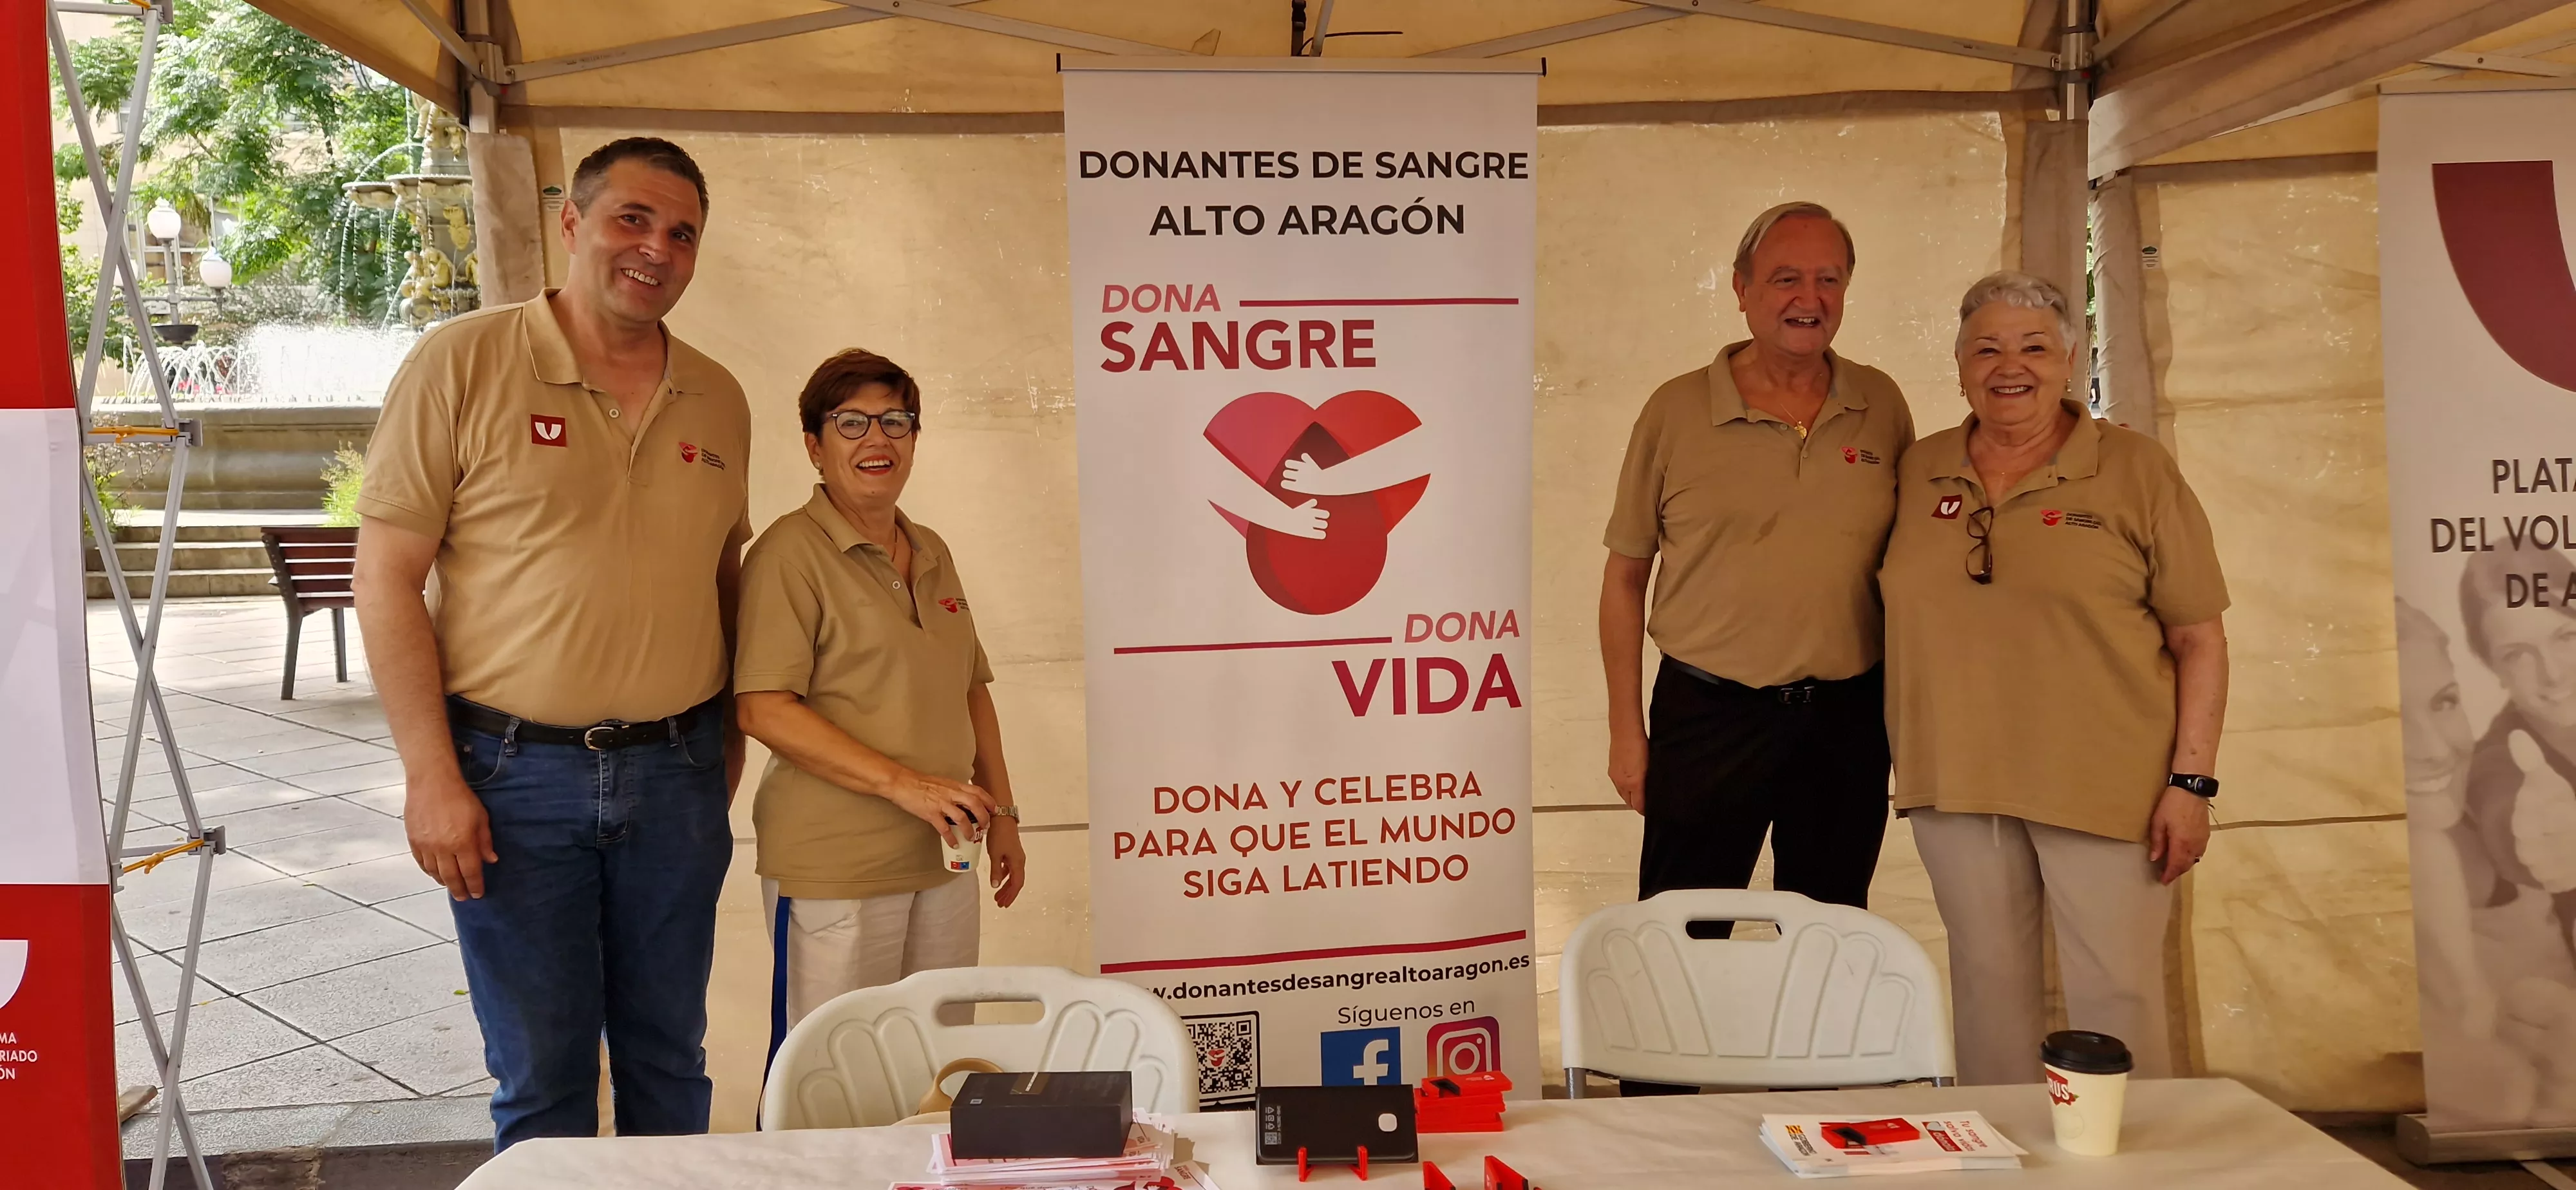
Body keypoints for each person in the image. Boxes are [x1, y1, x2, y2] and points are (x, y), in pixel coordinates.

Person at [353, 138, 748, 1148]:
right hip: (510, 778)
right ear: (571, 223)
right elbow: (386, 578)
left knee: (671, 1059)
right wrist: (430, 777)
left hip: (677, 774)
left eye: (682, 234)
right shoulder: (462, 362)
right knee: (542, 1076)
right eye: (632, 219)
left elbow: (724, 578)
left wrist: (725, 748)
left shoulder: (719, 396)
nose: (656, 248)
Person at [1879, 270, 2228, 1085]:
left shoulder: (2135, 468)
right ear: (1959, 366)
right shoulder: (1917, 469)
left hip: (2107, 785)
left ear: (2070, 360)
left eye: (2034, 347)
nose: (2011, 367)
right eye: (1986, 349)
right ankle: (2004, 1154)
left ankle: (2130, 1155)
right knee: (1987, 1001)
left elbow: (2199, 639)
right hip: (1955, 782)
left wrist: (2191, 784)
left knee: (2115, 1006)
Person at [1598, 201, 1914, 935]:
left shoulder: (1880, 403)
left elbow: (1919, 555)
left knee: (1829, 933)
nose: (1809, 298)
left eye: (1828, 279)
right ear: (1741, 288)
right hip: (1710, 716)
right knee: (1683, 936)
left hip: (1845, 720)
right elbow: (1624, 577)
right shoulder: (1676, 411)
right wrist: (1625, 732)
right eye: (1785, 278)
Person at [734, 348, 1027, 1046]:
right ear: (815, 446)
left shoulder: (932, 550)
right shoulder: (788, 554)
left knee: (937, 1064)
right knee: (834, 1073)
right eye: (852, 422)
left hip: (947, 858)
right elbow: (762, 708)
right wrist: (907, 787)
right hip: (837, 869)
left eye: (896, 421)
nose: (878, 439)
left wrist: (1005, 814)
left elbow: (970, 689)